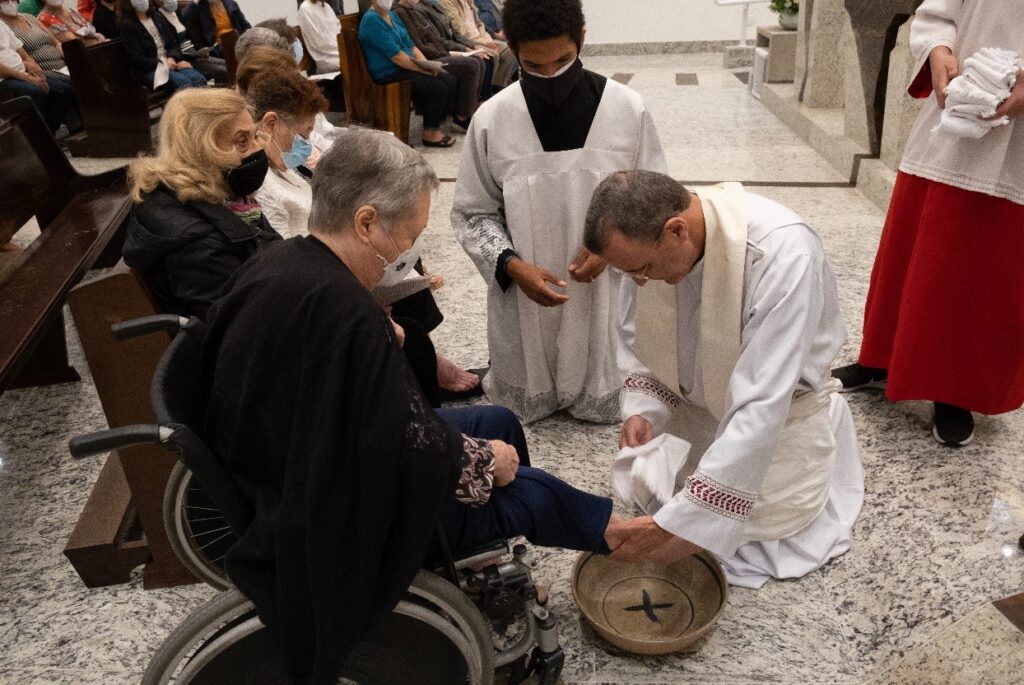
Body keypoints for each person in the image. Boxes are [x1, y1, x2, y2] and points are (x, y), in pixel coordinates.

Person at [200, 127, 623, 682]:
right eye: (407, 236)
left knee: (498, 419)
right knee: (528, 492)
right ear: (366, 221)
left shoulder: (287, 264)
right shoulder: (343, 311)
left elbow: (367, 416)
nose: (405, 255)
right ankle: (617, 537)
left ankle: (480, 554)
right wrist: (480, 463)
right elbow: (399, 449)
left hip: (288, 455)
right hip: (327, 507)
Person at [584, 171, 864, 589]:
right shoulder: (653, 247)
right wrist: (644, 409)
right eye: (629, 273)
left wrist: (689, 523)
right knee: (680, 511)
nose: (639, 282)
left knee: (757, 533)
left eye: (642, 269)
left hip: (776, 426)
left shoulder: (783, 254)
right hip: (697, 414)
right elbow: (642, 338)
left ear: (676, 230)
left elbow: (763, 399)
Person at [451, 0, 666, 423]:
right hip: (525, 294)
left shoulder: (626, 109)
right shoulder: (493, 119)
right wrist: (512, 266)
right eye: (534, 65)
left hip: (607, 291)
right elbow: (473, 213)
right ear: (511, 49)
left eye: (563, 60)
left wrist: (612, 252)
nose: (551, 76)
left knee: (611, 367)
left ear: (582, 39)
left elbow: (655, 200)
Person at [831, 0, 1024, 447]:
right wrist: (938, 49)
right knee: (914, 244)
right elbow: (938, 12)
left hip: (1016, 141)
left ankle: (954, 389)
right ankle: (881, 356)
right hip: (955, 110)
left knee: (979, 263)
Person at [122, 89, 281, 319]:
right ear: (201, 150)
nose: (258, 151)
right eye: (242, 141)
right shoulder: (197, 243)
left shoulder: (225, 196)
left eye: (255, 136)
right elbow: (244, 326)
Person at [359, 0, 458, 148]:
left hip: (403, 68)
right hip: (388, 73)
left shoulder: (392, 15)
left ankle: (434, 123)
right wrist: (424, 70)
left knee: (447, 78)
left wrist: (427, 65)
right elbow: (397, 57)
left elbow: (411, 46)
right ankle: (430, 133)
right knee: (436, 85)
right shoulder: (372, 20)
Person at [395, 0, 484, 129]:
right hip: (429, 57)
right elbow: (419, 47)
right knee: (472, 64)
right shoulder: (400, 13)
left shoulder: (413, 11)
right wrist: (449, 54)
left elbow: (436, 38)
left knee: (479, 61)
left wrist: (456, 51)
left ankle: (468, 109)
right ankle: (462, 117)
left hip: (440, 52)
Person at [0, 15, 74, 131]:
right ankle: (41, 136)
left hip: (22, 71)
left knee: (65, 90)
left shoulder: (1, 24)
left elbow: (21, 51)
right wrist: (27, 78)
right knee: (36, 91)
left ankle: (48, 132)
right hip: (5, 78)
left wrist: (35, 71)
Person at [119, 0, 207, 92]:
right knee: (184, 82)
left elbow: (173, 44)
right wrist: (164, 64)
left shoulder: (157, 16)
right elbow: (138, 59)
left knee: (199, 79)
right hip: (151, 70)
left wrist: (172, 58)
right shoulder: (128, 25)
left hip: (171, 62)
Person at [438, 0, 514, 88]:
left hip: (481, 37)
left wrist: (487, 39)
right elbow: (459, 30)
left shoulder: (469, 2)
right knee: (492, 54)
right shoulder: (448, 2)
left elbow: (480, 24)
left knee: (509, 51)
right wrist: (484, 42)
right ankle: (486, 91)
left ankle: (498, 86)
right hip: (468, 40)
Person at [155, 0, 228, 83]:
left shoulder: (177, 13)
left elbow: (191, 37)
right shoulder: (158, 18)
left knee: (228, 65)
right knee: (223, 71)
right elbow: (170, 46)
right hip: (185, 59)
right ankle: (222, 95)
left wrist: (201, 51)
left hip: (195, 55)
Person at [179, 0, 249, 57]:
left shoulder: (230, 3)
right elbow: (184, 14)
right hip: (218, 46)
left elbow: (245, 25)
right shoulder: (200, 8)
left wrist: (249, 37)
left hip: (238, 39)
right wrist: (194, 2)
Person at [296, 0, 338, 74]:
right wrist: (342, 51)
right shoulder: (306, 8)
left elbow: (338, 31)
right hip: (327, 58)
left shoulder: (327, 7)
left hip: (337, 53)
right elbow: (320, 43)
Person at [37, 0, 105, 45]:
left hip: (97, 45)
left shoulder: (68, 10)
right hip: (82, 55)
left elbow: (88, 27)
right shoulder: (44, 18)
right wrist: (97, 39)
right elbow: (74, 43)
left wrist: (97, 37)